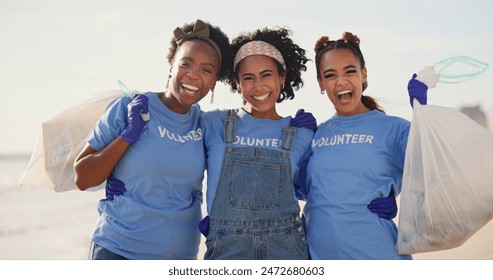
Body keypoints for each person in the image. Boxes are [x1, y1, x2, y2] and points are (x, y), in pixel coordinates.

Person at [73, 19, 232, 260]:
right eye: (185, 64)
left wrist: (292, 128)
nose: (193, 75)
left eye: (206, 70)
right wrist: (128, 136)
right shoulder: (129, 107)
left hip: (179, 257)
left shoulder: (207, 125)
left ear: (214, 83)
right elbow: (82, 178)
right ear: (172, 66)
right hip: (118, 250)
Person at [199, 27, 315, 260]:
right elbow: (170, 145)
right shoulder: (213, 123)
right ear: (237, 83)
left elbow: (316, 189)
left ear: (282, 78)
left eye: (266, 75)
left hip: (287, 249)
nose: (259, 86)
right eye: (248, 78)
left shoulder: (302, 133)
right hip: (227, 250)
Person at [302, 32, 413, 260]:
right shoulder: (315, 135)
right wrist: (293, 142)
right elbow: (292, 188)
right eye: (330, 75)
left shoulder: (394, 129)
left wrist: (424, 114)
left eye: (350, 71)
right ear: (321, 83)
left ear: (363, 74)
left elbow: (435, 171)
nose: (341, 81)